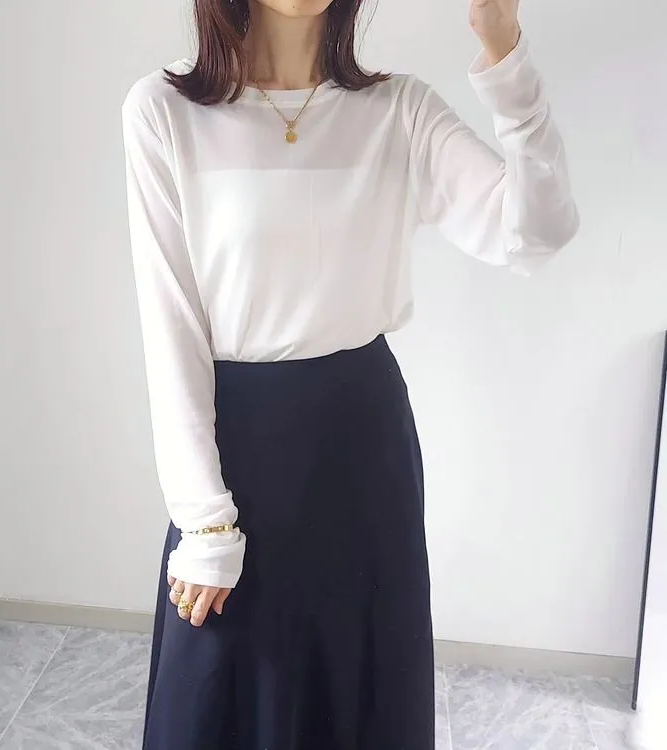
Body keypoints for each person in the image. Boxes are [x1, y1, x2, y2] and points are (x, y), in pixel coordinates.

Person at [122, 0, 579, 747]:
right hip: (236, 452)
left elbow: (538, 229)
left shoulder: (398, 111)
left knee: (361, 696)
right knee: (219, 699)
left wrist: (505, 52)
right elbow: (170, 328)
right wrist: (205, 525)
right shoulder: (164, 111)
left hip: (363, 448)